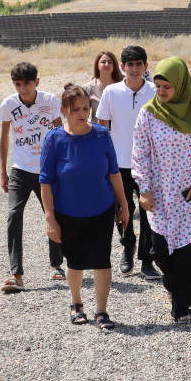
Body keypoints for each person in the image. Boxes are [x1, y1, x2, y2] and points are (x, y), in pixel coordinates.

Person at [132, 57, 191, 324]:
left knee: (188, 257)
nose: (162, 91)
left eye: (167, 86)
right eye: (157, 86)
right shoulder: (148, 113)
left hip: (188, 195)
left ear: (180, 85)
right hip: (158, 196)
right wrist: (143, 189)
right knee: (159, 251)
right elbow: (140, 154)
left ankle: (181, 307)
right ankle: (173, 288)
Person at [40, 84, 130, 329]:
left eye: (85, 108)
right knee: (75, 262)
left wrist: (124, 204)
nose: (82, 113)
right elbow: (45, 181)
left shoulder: (101, 135)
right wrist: (50, 217)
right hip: (67, 212)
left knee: (102, 260)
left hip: (101, 209)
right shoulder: (54, 138)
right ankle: (76, 303)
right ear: (64, 110)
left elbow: (114, 173)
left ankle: (102, 311)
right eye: (76, 109)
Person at [0, 62, 65, 293]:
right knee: (13, 215)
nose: (22, 89)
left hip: (47, 170)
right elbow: (4, 138)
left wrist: (64, 166)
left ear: (36, 82)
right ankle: (17, 274)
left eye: (27, 83)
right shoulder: (8, 104)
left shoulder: (50, 101)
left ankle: (56, 264)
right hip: (20, 169)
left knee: (53, 214)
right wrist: (3, 171)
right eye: (18, 84)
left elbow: (60, 133)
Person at [96, 45, 162, 280]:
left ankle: (147, 260)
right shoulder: (111, 92)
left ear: (146, 66)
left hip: (149, 164)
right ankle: (127, 246)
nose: (134, 69)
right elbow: (102, 127)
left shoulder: (157, 92)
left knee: (148, 213)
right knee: (122, 211)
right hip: (118, 164)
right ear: (122, 67)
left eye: (139, 64)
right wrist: (101, 160)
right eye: (130, 65)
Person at [82, 51, 123, 123]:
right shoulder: (87, 88)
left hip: (119, 131)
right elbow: (82, 114)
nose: (107, 64)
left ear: (114, 65)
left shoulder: (123, 85)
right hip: (97, 131)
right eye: (103, 62)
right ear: (97, 65)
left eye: (110, 62)